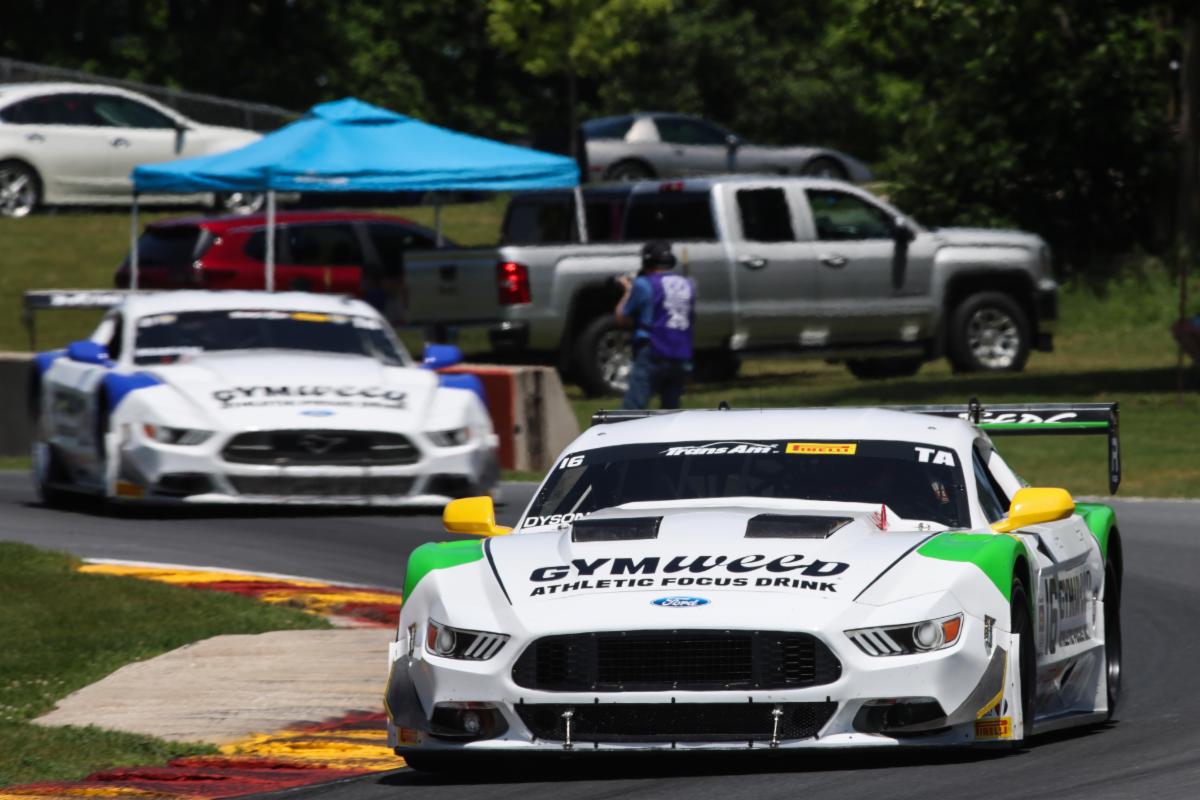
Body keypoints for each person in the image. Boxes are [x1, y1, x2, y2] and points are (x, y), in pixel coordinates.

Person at [615, 240, 696, 409]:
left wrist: (628, 290)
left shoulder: (644, 284)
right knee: (671, 410)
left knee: (632, 408)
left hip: (653, 350)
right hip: (681, 352)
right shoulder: (688, 285)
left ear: (646, 261)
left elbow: (621, 317)